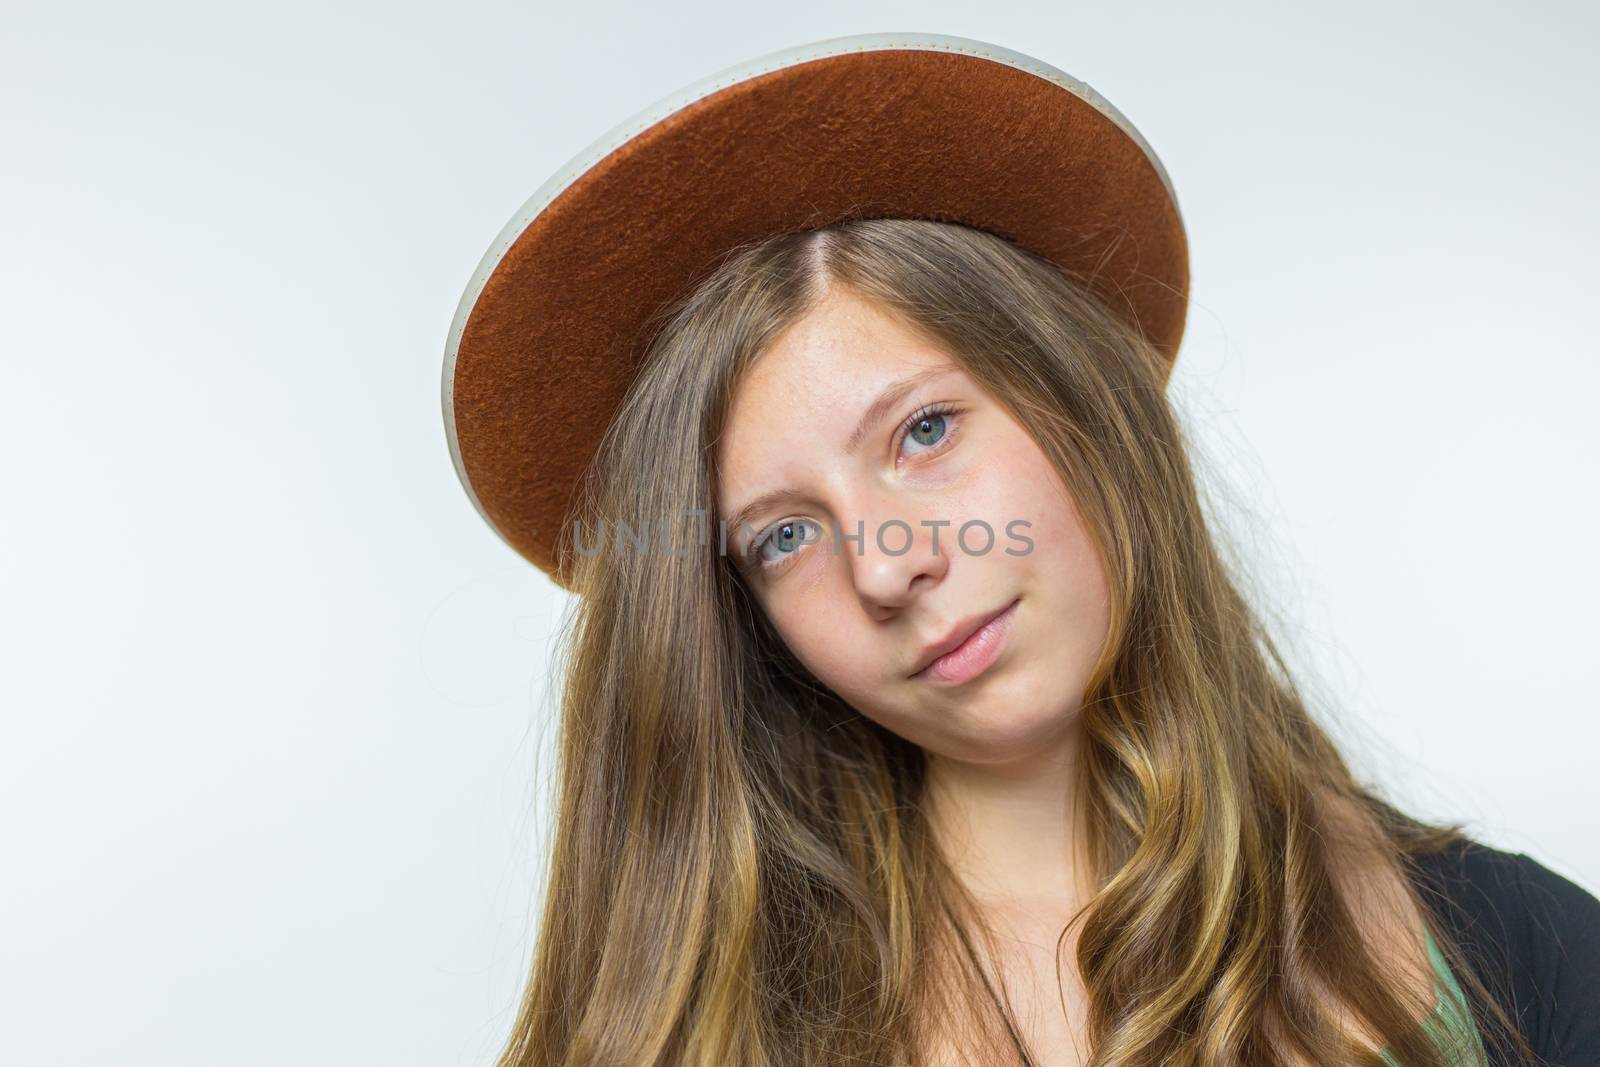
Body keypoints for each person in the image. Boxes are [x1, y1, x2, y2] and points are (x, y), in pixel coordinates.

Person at [441, 35, 1600, 1067]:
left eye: (924, 431)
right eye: (784, 534)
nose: (887, 565)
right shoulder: (684, 1031)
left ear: (1082, 408)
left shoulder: (1521, 948)